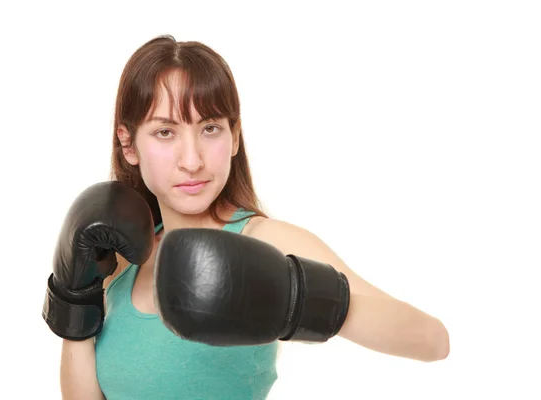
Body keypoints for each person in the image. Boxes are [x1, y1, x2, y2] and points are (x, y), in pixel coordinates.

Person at [43, 34, 450, 400]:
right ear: (129, 144)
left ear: (235, 136)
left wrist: (296, 298)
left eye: (210, 129)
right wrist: (74, 295)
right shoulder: (120, 260)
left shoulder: (265, 241)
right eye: (165, 132)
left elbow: (434, 341)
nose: (192, 160)